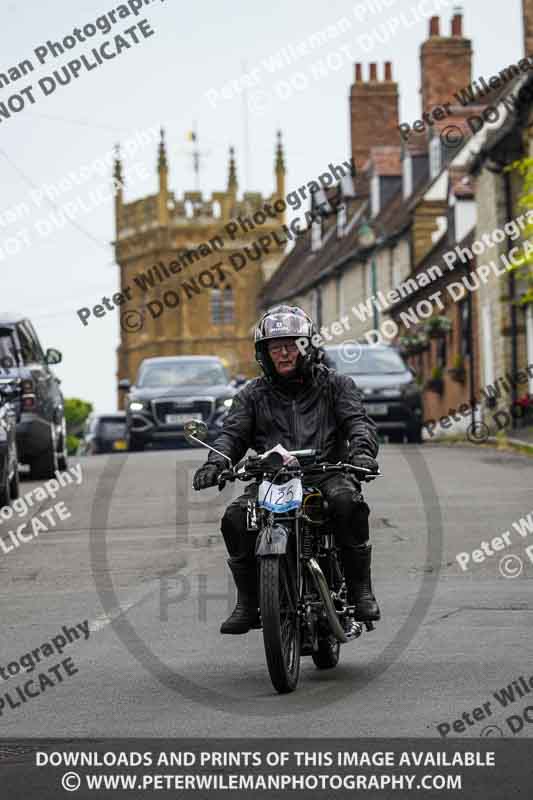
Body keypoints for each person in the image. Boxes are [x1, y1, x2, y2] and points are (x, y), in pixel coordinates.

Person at [192, 305, 380, 634]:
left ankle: (360, 590)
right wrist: (216, 462)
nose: (283, 353)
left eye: (291, 344)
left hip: (327, 472)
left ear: (307, 346)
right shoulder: (251, 394)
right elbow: (231, 435)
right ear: (263, 353)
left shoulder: (337, 385)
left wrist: (362, 454)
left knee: (347, 504)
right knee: (236, 518)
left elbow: (359, 424)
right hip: (273, 477)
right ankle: (249, 602)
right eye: (274, 347)